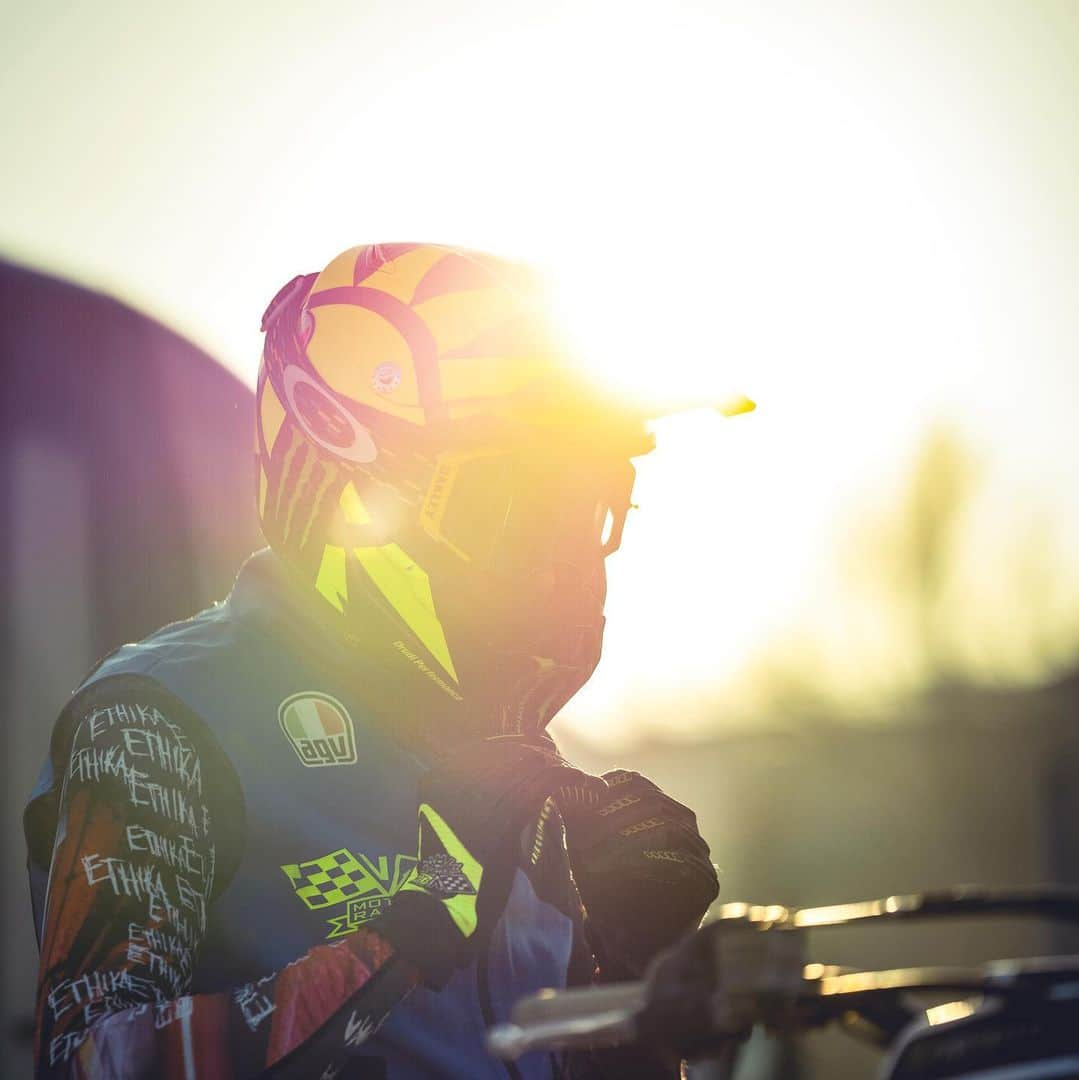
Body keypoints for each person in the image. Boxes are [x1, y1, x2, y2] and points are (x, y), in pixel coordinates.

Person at [24, 243, 722, 1078]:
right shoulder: (158, 716)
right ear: (355, 499)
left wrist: (635, 990)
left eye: (592, 506)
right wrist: (419, 920)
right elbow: (83, 1062)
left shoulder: (526, 776)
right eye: (515, 505)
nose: (563, 556)